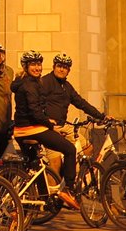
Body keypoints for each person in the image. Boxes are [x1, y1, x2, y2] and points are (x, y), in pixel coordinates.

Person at [11, 50, 80, 210]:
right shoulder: (30, 85)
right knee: (70, 150)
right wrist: (50, 125)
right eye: (33, 65)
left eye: (39, 64)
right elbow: (35, 111)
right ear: (25, 67)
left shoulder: (26, 82)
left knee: (35, 165)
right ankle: (68, 189)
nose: (37, 68)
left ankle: (43, 201)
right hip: (31, 129)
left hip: (20, 130)